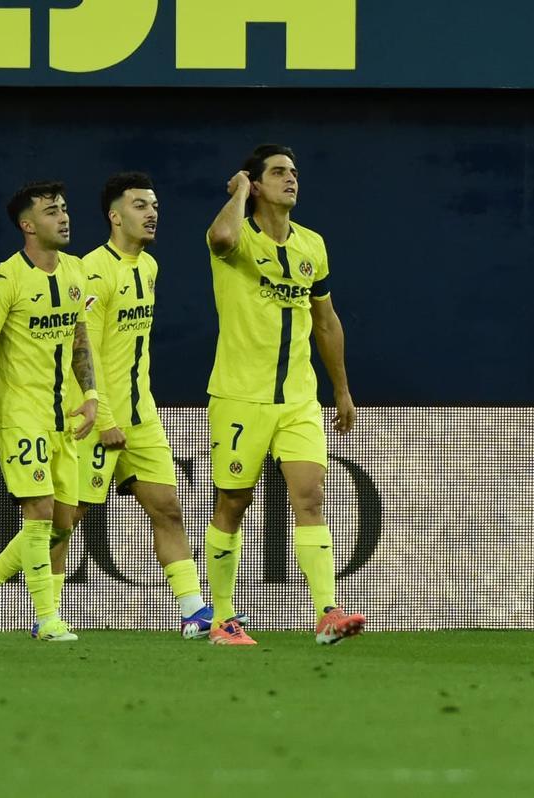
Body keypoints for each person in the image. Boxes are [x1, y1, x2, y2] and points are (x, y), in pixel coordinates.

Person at [203, 144, 365, 645]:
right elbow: (222, 235)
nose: (291, 179)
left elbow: (326, 320)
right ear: (255, 184)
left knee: (310, 496)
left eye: (294, 171)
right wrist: (238, 192)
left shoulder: (312, 245)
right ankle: (222, 619)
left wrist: (340, 389)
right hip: (239, 396)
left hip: (298, 396)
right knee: (233, 503)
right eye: (277, 172)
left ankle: (326, 613)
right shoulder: (237, 237)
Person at [43, 172, 213, 637]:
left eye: (154, 204)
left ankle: (195, 612)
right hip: (96, 416)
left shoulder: (150, 267)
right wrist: (106, 419)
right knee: (66, 518)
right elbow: (86, 347)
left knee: (168, 508)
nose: (152, 212)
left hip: (142, 415)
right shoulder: (93, 270)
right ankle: (46, 614)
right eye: (140, 205)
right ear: (115, 217)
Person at [0, 180, 97, 643]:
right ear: (28, 225)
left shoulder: (75, 272)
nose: (65, 217)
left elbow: (79, 340)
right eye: (53, 211)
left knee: (65, 520)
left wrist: (90, 395)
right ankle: (47, 618)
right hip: (19, 413)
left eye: (65, 209)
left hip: (61, 416)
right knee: (38, 511)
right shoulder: (4, 279)